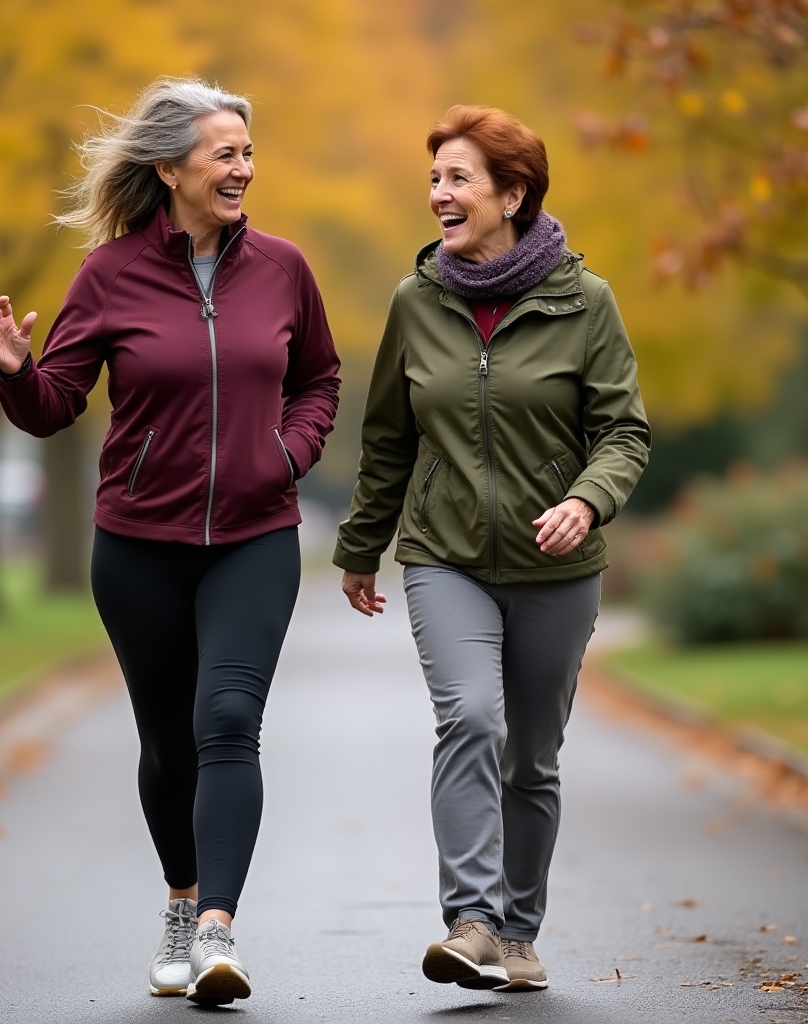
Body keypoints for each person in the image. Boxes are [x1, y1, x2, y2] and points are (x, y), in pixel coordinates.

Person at [0, 77, 340, 1005]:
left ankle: (217, 928)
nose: (243, 169)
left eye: (248, 154)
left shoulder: (285, 269)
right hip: (138, 543)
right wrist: (20, 373)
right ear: (170, 167)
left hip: (255, 537)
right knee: (167, 740)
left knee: (228, 720)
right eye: (226, 153)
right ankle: (181, 901)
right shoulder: (109, 277)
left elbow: (320, 379)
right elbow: (54, 405)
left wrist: (288, 453)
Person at [334, 105, 649, 992]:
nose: (439, 193)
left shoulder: (584, 303)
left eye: (459, 178)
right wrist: (363, 546)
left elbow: (623, 431)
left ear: (512, 194)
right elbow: (389, 436)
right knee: (470, 717)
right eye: (435, 177)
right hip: (447, 556)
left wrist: (586, 503)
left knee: (532, 758)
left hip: (559, 565)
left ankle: (518, 934)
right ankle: (469, 922)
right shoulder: (416, 299)